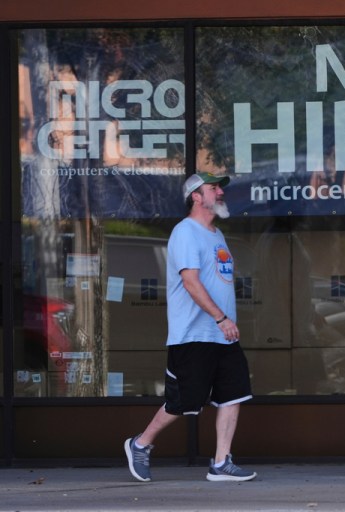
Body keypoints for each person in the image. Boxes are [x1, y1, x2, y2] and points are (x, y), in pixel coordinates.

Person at [124, 171, 256, 483]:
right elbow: (191, 283)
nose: (220, 193)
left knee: (234, 395)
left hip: (222, 336)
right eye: (213, 189)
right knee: (182, 402)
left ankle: (222, 462)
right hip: (194, 335)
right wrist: (221, 319)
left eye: (220, 189)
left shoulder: (216, 235)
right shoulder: (185, 232)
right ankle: (140, 444)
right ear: (196, 197)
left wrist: (224, 324)